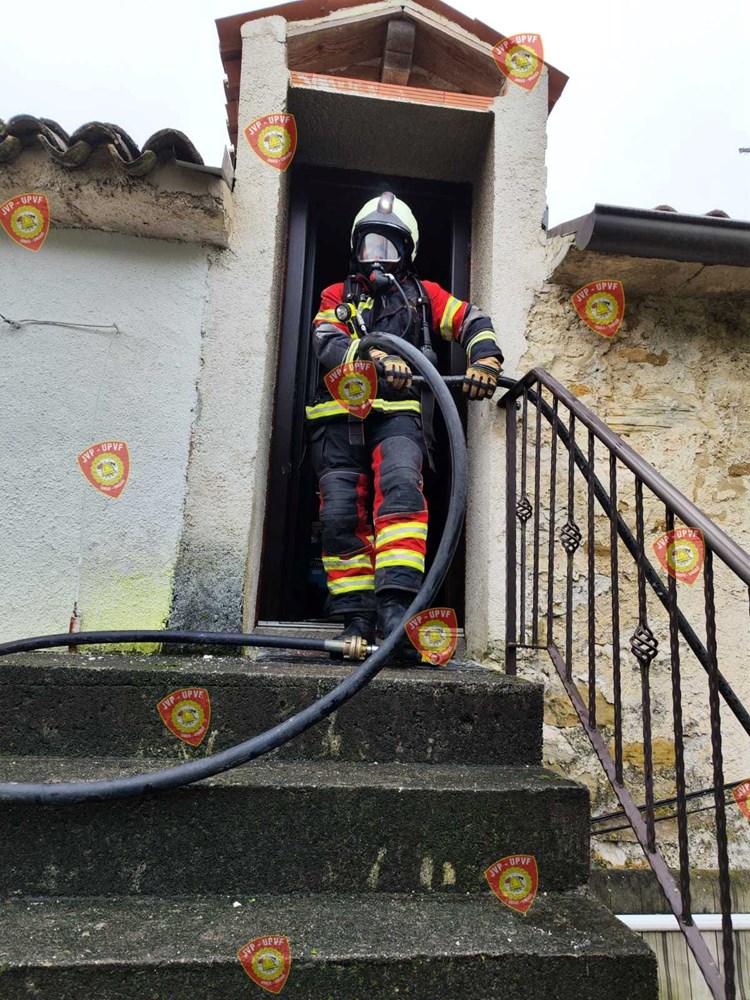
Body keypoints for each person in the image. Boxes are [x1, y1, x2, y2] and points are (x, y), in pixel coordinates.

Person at [306, 191, 504, 652]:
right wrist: (374, 356)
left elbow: (472, 319)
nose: (376, 256)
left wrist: (486, 359)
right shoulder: (337, 295)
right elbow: (327, 341)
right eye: (369, 245)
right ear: (356, 249)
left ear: (406, 252)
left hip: (397, 419)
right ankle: (356, 620)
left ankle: (397, 612)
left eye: (388, 246)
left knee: (400, 497)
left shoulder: (424, 297)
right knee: (339, 516)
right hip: (336, 424)